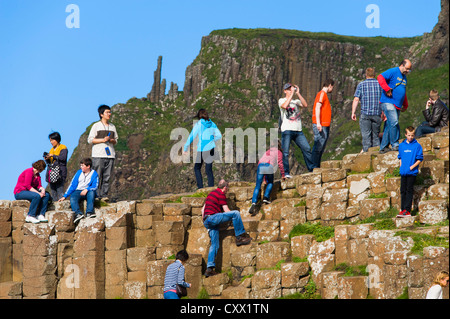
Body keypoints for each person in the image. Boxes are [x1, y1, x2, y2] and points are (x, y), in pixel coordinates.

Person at [202, 179, 251, 277]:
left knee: (214, 245)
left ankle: (209, 268)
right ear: (225, 187)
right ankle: (239, 237)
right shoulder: (220, 194)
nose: (228, 189)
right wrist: (234, 222)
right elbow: (226, 210)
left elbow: (203, 209)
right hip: (213, 218)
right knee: (235, 214)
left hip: (207, 220)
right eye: (228, 187)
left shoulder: (211, 194)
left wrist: (207, 225)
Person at [279, 83, 315, 177]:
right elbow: (284, 106)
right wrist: (291, 95)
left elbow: (305, 105)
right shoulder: (281, 100)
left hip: (298, 130)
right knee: (286, 152)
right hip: (287, 130)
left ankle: (311, 169)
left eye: (291, 89)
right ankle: (286, 173)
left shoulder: (296, 101)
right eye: (288, 89)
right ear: (285, 91)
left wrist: (298, 93)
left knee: (306, 148)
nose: (291, 90)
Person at [377, 59, 412, 154]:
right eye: (407, 69)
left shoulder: (404, 78)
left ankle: (383, 147)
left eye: (409, 70)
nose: (408, 71)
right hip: (388, 102)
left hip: (397, 105)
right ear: (402, 65)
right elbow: (380, 77)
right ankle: (395, 144)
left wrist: (405, 104)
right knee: (394, 122)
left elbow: (403, 92)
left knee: (389, 125)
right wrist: (387, 88)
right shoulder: (393, 71)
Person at [183, 109, 222, 189]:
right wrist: (212, 141)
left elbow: (191, 136)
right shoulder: (212, 123)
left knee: (197, 168)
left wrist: (186, 147)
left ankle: (200, 188)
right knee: (209, 169)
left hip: (202, 149)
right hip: (211, 148)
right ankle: (211, 188)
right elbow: (219, 136)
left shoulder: (199, 124)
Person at [87, 104, 118, 201]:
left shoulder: (112, 127)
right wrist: (102, 140)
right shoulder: (96, 126)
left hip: (110, 155)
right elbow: (90, 140)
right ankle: (95, 195)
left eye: (110, 112)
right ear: (101, 114)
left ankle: (104, 196)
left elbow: (116, 140)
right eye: (107, 112)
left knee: (107, 177)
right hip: (98, 154)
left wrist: (111, 140)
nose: (109, 114)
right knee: (97, 176)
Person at [249, 140, 285, 216]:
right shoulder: (279, 152)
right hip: (269, 166)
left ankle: (254, 202)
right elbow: (280, 164)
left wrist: (264, 179)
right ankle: (266, 197)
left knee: (258, 185)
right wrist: (283, 175)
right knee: (270, 182)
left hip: (261, 165)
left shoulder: (268, 151)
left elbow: (260, 161)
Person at [351, 68, 384, 152]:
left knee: (366, 137)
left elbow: (356, 99)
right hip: (377, 114)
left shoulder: (361, 84)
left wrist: (353, 112)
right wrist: (383, 113)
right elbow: (383, 99)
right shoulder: (379, 84)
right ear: (374, 75)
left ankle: (366, 156)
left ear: (366, 75)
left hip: (365, 114)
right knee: (376, 136)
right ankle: (376, 155)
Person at [59, 158, 99, 223]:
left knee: (91, 193)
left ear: (88, 166)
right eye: (81, 165)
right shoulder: (79, 172)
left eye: (83, 165)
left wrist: (87, 189)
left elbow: (95, 186)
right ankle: (78, 214)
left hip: (88, 191)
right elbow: (72, 185)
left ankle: (89, 212)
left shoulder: (94, 173)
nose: (81, 167)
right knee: (73, 197)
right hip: (78, 191)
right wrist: (65, 196)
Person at [396, 126, 423, 218]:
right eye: (408, 135)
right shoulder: (401, 145)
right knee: (402, 190)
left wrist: (411, 167)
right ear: (405, 135)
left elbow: (420, 159)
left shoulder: (417, 146)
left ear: (414, 135)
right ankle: (402, 209)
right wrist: (401, 166)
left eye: (412, 135)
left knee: (409, 190)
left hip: (412, 172)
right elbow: (400, 157)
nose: (410, 137)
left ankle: (407, 210)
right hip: (403, 172)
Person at [312, 79, 335, 168]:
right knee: (318, 147)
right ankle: (314, 167)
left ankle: (316, 166)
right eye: (332, 87)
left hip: (325, 124)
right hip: (322, 124)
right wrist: (318, 123)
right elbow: (318, 107)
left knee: (320, 147)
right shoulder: (322, 94)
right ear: (329, 85)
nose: (332, 89)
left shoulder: (323, 94)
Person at [44, 132, 68, 201]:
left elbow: (63, 158)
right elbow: (50, 163)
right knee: (53, 191)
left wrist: (53, 156)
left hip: (60, 172)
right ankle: (54, 206)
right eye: (50, 140)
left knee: (60, 190)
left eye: (52, 140)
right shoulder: (51, 150)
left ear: (57, 139)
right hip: (52, 173)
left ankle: (61, 205)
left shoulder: (63, 148)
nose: (51, 142)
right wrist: (47, 159)